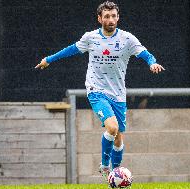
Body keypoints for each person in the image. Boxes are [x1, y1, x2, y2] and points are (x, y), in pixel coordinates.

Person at [35, 1, 165, 181]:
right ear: (99, 18)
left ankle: (117, 174)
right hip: (96, 90)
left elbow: (145, 54)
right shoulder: (91, 38)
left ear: (118, 18)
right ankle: (105, 165)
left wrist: (152, 63)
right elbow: (72, 49)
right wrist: (49, 59)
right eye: (106, 16)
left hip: (118, 94)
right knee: (112, 127)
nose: (110, 19)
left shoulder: (127, 39)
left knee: (118, 137)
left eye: (113, 16)